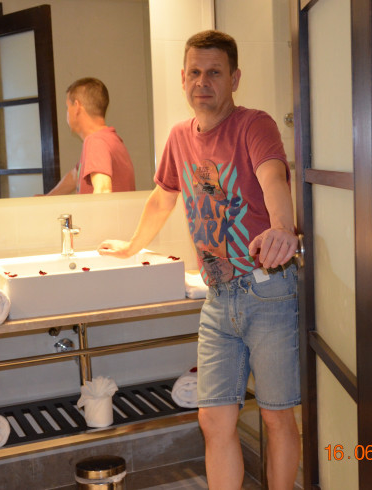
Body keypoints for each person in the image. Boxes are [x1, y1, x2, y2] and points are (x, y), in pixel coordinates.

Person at [98, 30, 300, 488]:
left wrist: (282, 227)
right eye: (194, 72)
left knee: (276, 417)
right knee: (212, 419)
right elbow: (162, 198)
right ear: (182, 77)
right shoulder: (178, 137)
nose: (202, 82)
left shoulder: (254, 125)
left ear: (234, 79)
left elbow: (273, 177)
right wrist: (130, 247)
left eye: (214, 73)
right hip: (217, 298)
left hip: (267, 290)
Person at [44, 78, 136, 195]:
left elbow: (103, 191)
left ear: (76, 107)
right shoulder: (110, 139)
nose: (67, 112)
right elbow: (75, 175)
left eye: (67, 107)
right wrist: (48, 197)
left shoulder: (95, 142)